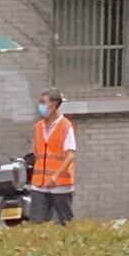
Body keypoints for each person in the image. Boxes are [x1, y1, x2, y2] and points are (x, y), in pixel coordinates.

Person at [29, 89, 76, 224]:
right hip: (39, 184)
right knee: (36, 223)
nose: (40, 106)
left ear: (54, 104)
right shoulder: (38, 126)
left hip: (60, 185)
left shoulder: (66, 126)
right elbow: (36, 151)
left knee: (65, 222)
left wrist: (55, 176)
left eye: (43, 103)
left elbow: (70, 156)